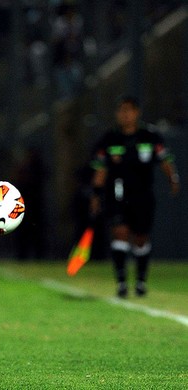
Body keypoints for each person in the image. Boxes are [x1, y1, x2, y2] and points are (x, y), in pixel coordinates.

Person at [90, 96, 180, 298]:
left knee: (141, 238)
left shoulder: (150, 136)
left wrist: (173, 179)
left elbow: (165, 160)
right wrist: (96, 194)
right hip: (118, 193)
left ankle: (140, 280)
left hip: (143, 195)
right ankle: (122, 282)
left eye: (129, 110)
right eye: (121, 110)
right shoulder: (110, 138)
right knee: (120, 232)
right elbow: (101, 168)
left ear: (137, 112)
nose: (125, 114)